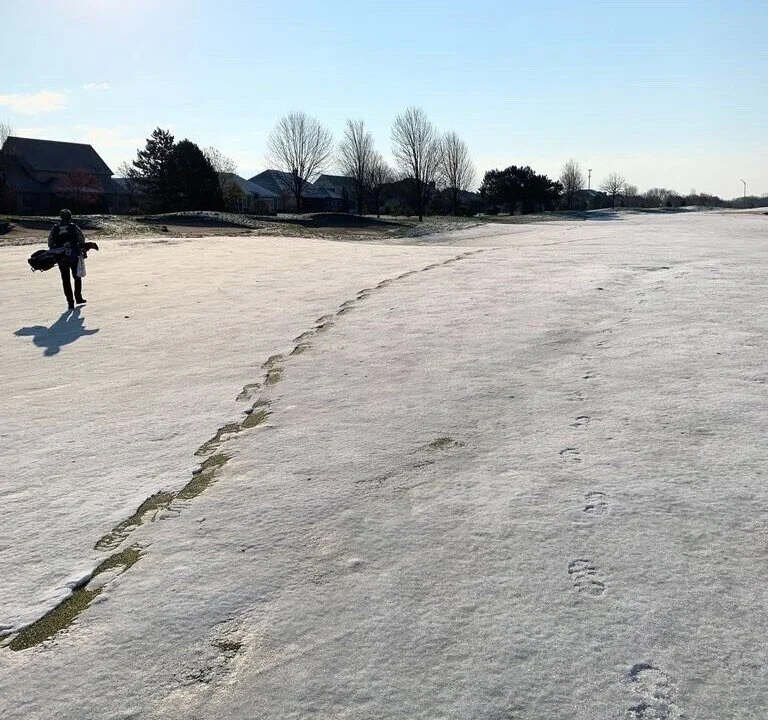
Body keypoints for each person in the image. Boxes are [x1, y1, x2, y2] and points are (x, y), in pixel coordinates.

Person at [47, 209, 86, 310]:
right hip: (73, 255)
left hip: (60, 257)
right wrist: (82, 250)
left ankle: (70, 302)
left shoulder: (55, 228)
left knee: (65, 279)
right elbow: (81, 238)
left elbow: (50, 242)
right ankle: (78, 297)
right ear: (70, 217)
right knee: (77, 276)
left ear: (61, 217)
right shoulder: (74, 227)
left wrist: (54, 251)